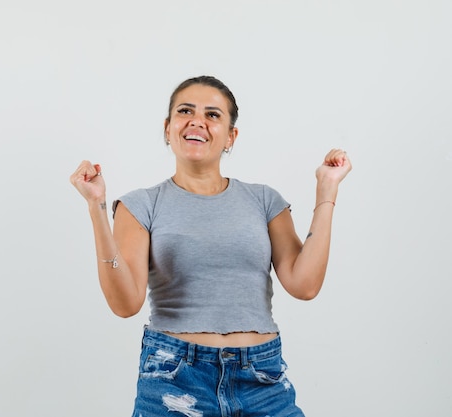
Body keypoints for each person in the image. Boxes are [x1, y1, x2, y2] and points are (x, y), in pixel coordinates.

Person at [70, 75, 351, 417]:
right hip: (175, 379)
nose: (197, 121)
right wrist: (97, 207)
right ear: (168, 128)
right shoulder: (141, 204)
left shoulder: (264, 200)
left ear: (231, 136)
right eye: (185, 110)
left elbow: (304, 285)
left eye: (213, 114)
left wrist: (327, 191)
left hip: (262, 379)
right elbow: (125, 303)